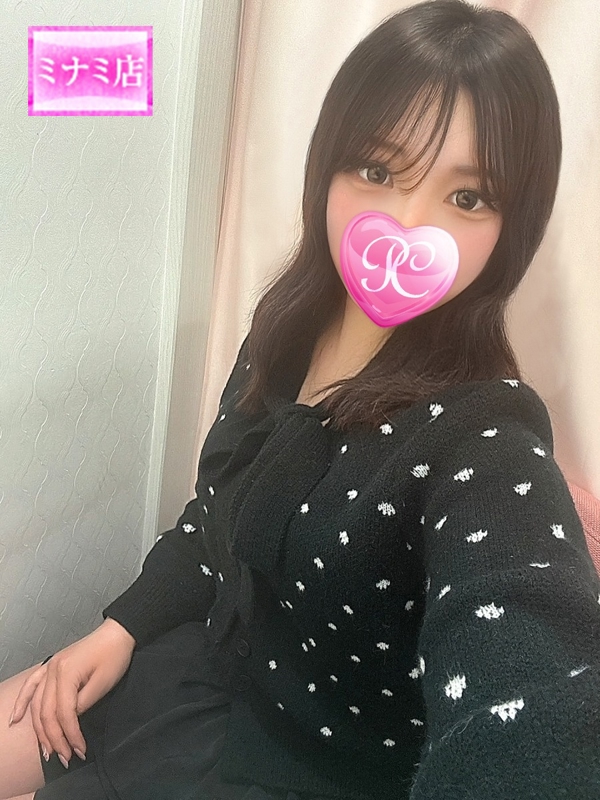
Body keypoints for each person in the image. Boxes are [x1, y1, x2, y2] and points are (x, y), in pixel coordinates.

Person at [2, 0, 599, 798]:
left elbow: (530, 664)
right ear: (328, 168)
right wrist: (122, 625)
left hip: (313, 772)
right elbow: (214, 515)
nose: (406, 225)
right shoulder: (284, 333)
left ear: (510, 226)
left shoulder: (485, 435)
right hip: (202, 679)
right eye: (378, 171)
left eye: (467, 199)